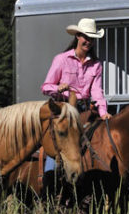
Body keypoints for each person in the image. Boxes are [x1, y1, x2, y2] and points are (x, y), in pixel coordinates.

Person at [40, 18, 111, 179]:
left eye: (91, 38)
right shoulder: (61, 59)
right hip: (64, 108)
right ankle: (50, 177)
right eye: (86, 37)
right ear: (78, 36)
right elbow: (45, 87)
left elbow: (97, 92)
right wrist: (57, 88)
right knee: (60, 139)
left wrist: (103, 112)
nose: (88, 41)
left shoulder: (96, 65)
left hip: (85, 110)